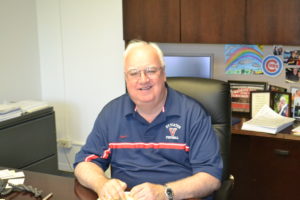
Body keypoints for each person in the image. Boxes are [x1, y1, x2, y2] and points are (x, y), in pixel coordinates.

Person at [73, 40, 223, 200]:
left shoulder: (192, 113)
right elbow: (84, 163)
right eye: (134, 73)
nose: (143, 79)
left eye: (151, 71)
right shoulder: (111, 114)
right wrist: (101, 184)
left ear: (164, 73)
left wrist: (165, 192)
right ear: (126, 78)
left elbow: (211, 177)